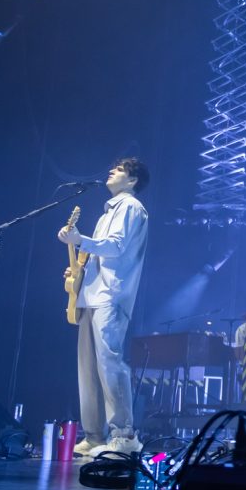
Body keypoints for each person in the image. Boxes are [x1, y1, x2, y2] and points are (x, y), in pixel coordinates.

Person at [57, 157, 150, 458]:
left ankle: (124, 435)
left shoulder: (130, 207)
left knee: (110, 363)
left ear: (132, 180)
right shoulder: (106, 213)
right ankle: (94, 435)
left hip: (112, 295)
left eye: (120, 169)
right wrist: (78, 271)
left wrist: (80, 240)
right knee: (88, 369)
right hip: (91, 294)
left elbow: (116, 247)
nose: (111, 171)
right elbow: (98, 254)